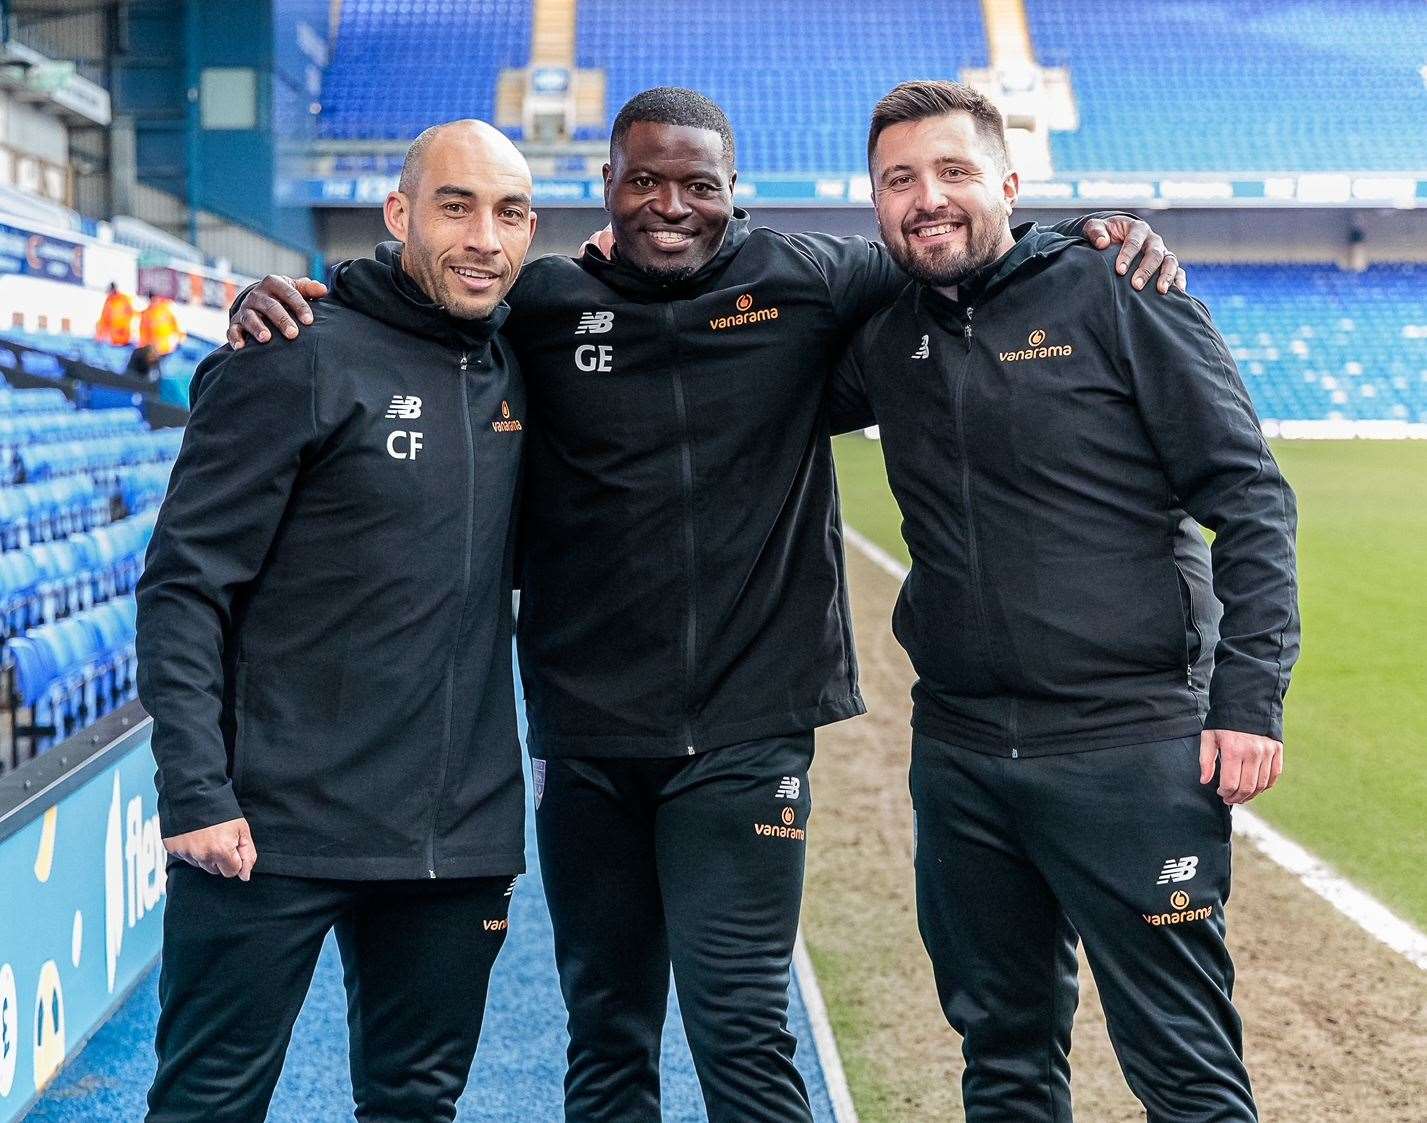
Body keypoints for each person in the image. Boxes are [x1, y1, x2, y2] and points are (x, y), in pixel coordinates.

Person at [229, 87, 1183, 1123]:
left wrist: (1093, 240)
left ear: (737, 193)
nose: (668, 204)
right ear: (606, 188)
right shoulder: (543, 306)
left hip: (747, 729)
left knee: (739, 1027)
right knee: (605, 1030)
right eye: (643, 180)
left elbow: (957, 256)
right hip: (587, 737)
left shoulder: (808, 279)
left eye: (695, 184)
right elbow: (421, 311)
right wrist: (290, 299)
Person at [830, 80, 1300, 1122]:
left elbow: (1251, 497)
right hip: (959, 757)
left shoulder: (1113, 286)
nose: (927, 199)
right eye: (898, 179)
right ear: (871, 201)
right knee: (1000, 1056)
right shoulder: (883, 332)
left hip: (1125, 748)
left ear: (1006, 180)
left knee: (1182, 1070)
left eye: (952, 172)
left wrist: (1247, 697)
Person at [136, 119, 537, 1123]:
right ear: (398, 213)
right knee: (204, 1108)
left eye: (510, 212)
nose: (484, 236)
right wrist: (193, 788)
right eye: (456, 206)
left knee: (413, 1109)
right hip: (268, 829)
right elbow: (184, 583)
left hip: (455, 840)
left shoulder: (524, 363)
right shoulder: (293, 352)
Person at [139, 289, 185, 375]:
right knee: (155, 371)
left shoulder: (167, 309)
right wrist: (144, 348)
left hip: (167, 347)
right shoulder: (147, 313)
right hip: (154, 350)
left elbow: (177, 324)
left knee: (165, 371)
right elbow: (143, 333)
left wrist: (180, 338)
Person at [96, 281, 135, 346]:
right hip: (113, 338)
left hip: (123, 335)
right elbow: (104, 317)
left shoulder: (124, 299)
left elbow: (130, 313)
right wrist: (100, 334)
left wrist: (123, 327)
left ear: (113, 290)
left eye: (110, 291)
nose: (109, 293)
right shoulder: (109, 301)